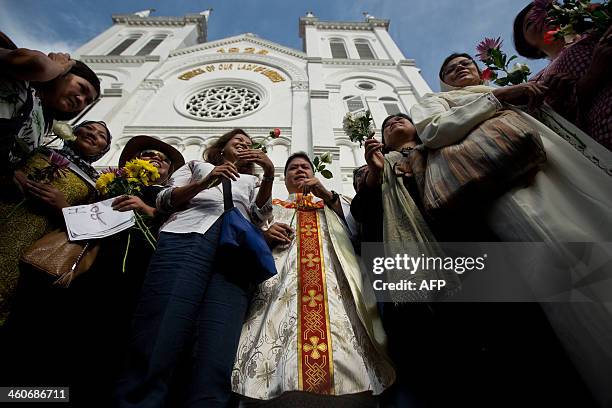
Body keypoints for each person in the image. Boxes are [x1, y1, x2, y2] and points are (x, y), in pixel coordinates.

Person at [406, 51, 612, 405]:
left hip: (555, 160)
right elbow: (434, 131)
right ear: (443, 81)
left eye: (466, 63)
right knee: (561, 257)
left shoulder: (512, 89)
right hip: (506, 177)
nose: (460, 68)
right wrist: (497, 98)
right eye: (450, 68)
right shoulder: (437, 100)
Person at [116, 129, 275, 408]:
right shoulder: (194, 166)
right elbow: (163, 200)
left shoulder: (251, 180)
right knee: (162, 325)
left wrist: (270, 176)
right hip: (186, 237)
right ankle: (139, 400)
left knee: (219, 339)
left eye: (249, 144)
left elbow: (261, 217)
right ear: (221, 147)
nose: (244, 144)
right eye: (238, 141)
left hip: (234, 251)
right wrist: (204, 182)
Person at [232, 152, 395, 407]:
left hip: (332, 279)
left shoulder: (334, 202)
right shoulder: (273, 205)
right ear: (284, 179)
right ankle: (278, 385)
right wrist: (264, 234)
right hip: (283, 279)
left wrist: (326, 194)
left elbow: (359, 228)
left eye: (305, 167)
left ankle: (349, 387)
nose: (299, 171)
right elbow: (251, 228)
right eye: (293, 168)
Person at [68, 136, 185, 406]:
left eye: (164, 158)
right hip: (96, 266)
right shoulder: (111, 186)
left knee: (119, 342)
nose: (157, 158)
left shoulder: (169, 198)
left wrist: (148, 210)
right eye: (149, 153)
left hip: (141, 271)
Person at [0, 120, 111, 389]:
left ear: (104, 150)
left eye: (102, 137)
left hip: (29, 239)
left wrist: (61, 206)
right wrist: (13, 174)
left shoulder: (97, 184)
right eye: (90, 128)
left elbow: (86, 227)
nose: (93, 135)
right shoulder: (37, 149)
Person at [513, 2, 612, 150]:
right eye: (529, 23)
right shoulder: (537, 81)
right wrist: (589, 79)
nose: (540, 17)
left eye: (546, 10)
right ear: (528, 44)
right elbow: (550, 124)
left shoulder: (598, 28)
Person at [0, 32, 101, 173]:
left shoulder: (42, 125)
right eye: (81, 88)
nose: (81, 99)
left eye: (87, 101)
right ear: (64, 72)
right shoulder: (22, 78)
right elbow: (37, 65)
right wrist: (56, 67)